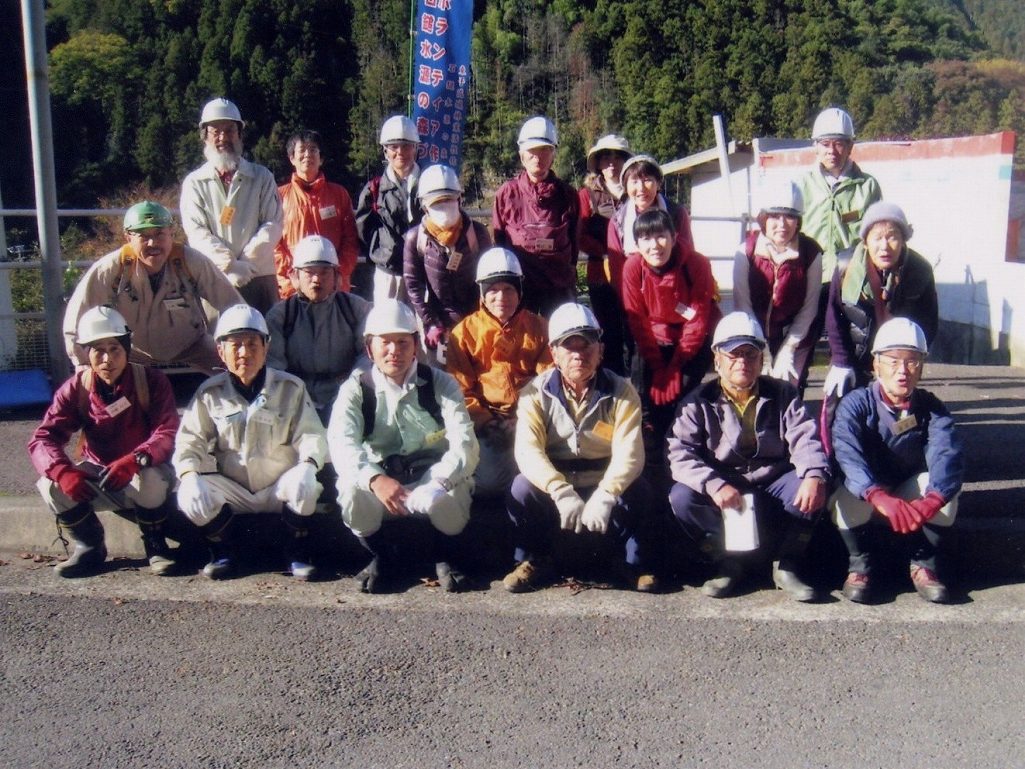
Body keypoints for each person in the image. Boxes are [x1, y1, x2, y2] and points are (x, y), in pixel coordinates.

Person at [667, 312, 831, 601]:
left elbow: (805, 437)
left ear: (761, 359)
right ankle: (726, 563)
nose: (742, 361)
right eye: (733, 354)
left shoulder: (783, 393)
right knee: (682, 497)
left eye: (750, 354)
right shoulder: (697, 401)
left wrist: (814, 473)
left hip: (773, 480)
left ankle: (786, 563)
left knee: (812, 485)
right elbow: (679, 453)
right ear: (717, 359)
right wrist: (713, 484)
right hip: (724, 482)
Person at [503, 303, 658, 594]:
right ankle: (532, 560)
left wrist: (608, 492)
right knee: (521, 488)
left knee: (641, 489)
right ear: (554, 353)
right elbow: (527, 451)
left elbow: (630, 452)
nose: (578, 354)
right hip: (558, 487)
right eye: (568, 346)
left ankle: (631, 563)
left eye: (586, 345)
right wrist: (559, 490)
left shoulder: (623, 392)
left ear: (600, 350)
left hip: (602, 482)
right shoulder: (535, 394)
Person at [328, 300, 479, 593]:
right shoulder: (356, 389)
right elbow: (341, 443)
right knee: (350, 489)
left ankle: (445, 554)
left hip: (430, 480)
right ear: (369, 348)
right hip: (383, 485)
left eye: (402, 342)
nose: (394, 351)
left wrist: (439, 482)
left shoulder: (442, 384)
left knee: (455, 490)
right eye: (384, 342)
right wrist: (374, 479)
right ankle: (381, 555)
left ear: (416, 346)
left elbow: (465, 443)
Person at [173, 304, 328, 581]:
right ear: (221, 351)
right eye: (235, 345)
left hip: (278, 486)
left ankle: (297, 552)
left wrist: (308, 465)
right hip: (235, 489)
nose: (244, 353)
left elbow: (312, 434)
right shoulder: (210, 393)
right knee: (189, 493)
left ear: (266, 347)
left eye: (252, 344)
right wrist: (189, 474)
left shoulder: (290, 387)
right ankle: (224, 552)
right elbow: (189, 441)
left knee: (305, 483)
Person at [29, 307, 180, 577]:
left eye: (114, 349)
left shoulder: (151, 381)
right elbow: (43, 437)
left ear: (127, 348)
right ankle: (89, 545)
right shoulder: (76, 388)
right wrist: (62, 472)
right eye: (98, 350)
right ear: (87, 354)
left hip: (142, 470)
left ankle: (155, 544)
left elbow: (167, 431)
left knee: (152, 478)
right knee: (49, 484)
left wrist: (135, 459)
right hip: (100, 474)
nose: (107, 359)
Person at [830, 318, 962, 604]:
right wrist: (876, 494)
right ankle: (859, 566)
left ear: (921, 367)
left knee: (943, 490)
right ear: (876, 364)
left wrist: (932, 500)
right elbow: (847, 454)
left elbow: (946, 454)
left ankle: (924, 565)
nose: (902, 370)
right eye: (893, 361)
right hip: (870, 497)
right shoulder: (855, 404)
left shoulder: (931, 407)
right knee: (848, 492)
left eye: (912, 361)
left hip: (907, 500)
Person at [63, 201, 242, 374]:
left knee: (241, 367)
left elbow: (234, 306)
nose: (152, 243)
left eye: (159, 234)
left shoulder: (191, 261)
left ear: (171, 233)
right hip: (132, 350)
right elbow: (76, 316)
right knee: (93, 377)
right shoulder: (111, 268)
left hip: (192, 343)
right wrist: (81, 362)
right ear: (128, 238)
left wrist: (241, 348)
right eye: (143, 236)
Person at [446, 247, 552, 498]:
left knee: (546, 473)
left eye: (508, 289)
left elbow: (549, 380)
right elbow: (459, 390)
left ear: (520, 292)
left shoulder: (540, 328)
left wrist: (525, 419)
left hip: (533, 417)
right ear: (482, 294)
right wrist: (487, 422)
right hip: (490, 423)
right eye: (493, 290)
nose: (501, 297)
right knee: (491, 484)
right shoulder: (464, 333)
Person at [621, 209, 719, 457]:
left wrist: (675, 366)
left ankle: (687, 437)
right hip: (652, 339)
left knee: (683, 391)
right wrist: (657, 366)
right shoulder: (632, 267)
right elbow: (637, 321)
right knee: (646, 389)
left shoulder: (697, 264)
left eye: (661, 236)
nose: (655, 245)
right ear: (637, 244)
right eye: (646, 238)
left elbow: (698, 318)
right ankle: (649, 432)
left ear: (674, 237)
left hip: (690, 339)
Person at [180, 98, 284, 314]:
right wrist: (229, 265)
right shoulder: (194, 182)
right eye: (215, 131)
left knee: (264, 332)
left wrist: (246, 264)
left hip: (259, 276)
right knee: (217, 334)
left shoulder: (262, 176)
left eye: (229, 130)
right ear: (204, 136)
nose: (223, 138)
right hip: (214, 276)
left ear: (240, 134)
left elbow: (272, 224)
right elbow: (196, 232)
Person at [824, 201, 938, 398]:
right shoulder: (845, 266)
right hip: (855, 355)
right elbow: (834, 316)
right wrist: (841, 361)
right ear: (865, 241)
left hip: (897, 360)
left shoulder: (920, 271)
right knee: (839, 405)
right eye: (877, 238)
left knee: (899, 411)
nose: (884, 246)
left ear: (903, 240)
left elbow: (928, 323)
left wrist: (908, 362)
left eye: (892, 237)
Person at [797, 107, 883, 346]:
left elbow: (878, 234)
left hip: (852, 280)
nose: (832, 151)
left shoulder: (867, 186)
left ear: (850, 146)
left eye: (839, 144)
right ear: (815, 146)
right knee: (803, 345)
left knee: (851, 346)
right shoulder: (801, 185)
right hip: (811, 278)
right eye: (825, 144)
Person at [266, 235, 372, 425]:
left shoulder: (356, 309)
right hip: (295, 400)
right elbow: (274, 368)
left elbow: (368, 356)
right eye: (309, 272)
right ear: (295, 276)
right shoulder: (281, 316)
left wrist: (350, 389)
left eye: (324, 272)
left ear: (337, 276)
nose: (316, 279)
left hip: (348, 395)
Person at [732, 180, 823, 391]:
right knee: (755, 386)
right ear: (763, 218)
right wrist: (762, 351)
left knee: (789, 387)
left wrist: (788, 348)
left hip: (796, 331)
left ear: (798, 221)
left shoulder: (811, 253)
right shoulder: (745, 251)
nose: (782, 224)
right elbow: (743, 305)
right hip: (754, 328)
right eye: (774, 216)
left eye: (790, 216)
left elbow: (809, 307)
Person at [492, 116, 580, 316]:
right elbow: (499, 243)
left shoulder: (568, 195)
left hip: (559, 286)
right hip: (521, 287)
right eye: (532, 151)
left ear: (554, 154)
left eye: (544, 150)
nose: (537, 157)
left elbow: (574, 244)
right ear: (521, 155)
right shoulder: (507, 194)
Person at [403, 163, 492, 361]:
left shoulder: (477, 233)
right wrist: (431, 323)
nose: (444, 206)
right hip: (438, 322)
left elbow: (489, 281)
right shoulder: (415, 238)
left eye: (449, 199)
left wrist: (481, 319)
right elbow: (413, 286)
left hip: (475, 320)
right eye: (437, 202)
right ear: (424, 205)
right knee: (441, 373)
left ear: (459, 199)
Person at [274, 129, 359, 297]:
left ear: (321, 158)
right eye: (302, 150)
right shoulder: (279, 196)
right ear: (292, 158)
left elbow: (351, 240)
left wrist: (337, 274)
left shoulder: (339, 194)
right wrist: (293, 276)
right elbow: (274, 245)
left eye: (313, 150)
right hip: (292, 287)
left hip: (334, 287)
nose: (308, 155)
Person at [578, 134, 632, 375]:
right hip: (601, 273)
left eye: (618, 157)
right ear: (598, 163)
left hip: (635, 275)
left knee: (635, 331)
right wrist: (607, 252)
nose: (612, 163)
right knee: (608, 334)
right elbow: (579, 236)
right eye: (606, 157)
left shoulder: (637, 191)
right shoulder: (587, 195)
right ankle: (611, 385)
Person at [607, 154, 694, 300]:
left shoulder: (676, 213)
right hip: (634, 293)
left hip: (674, 290)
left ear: (658, 183)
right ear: (626, 187)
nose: (641, 188)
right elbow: (617, 270)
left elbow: (688, 256)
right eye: (634, 181)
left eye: (647, 180)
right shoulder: (617, 222)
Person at [355, 115, 422, 304]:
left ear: (415, 148)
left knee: (422, 321)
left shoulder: (429, 184)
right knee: (387, 320)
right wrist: (383, 252)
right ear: (385, 150)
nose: (400, 152)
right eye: (394, 146)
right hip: (388, 273)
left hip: (423, 271)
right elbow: (363, 229)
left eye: (406, 146)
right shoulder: (374, 189)